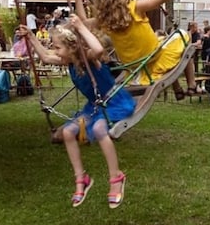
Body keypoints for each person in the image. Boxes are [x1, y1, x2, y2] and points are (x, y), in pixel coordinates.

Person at [27, 17, 132, 209]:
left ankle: (116, 177)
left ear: (71, 47)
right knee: (67, 132)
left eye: (57, 47)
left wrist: (81, 27)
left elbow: (99, 50)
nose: (55, 50)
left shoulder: (87, 59)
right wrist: (31, 37)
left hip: (113, 101)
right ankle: (81, 179)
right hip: (95, 105)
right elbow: (44, 57)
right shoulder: (67, 61)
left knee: (101, 129)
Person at [74, 0, 189, 101]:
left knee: (161, 39)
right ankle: (191, 85)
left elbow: (83, 22)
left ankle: (178, 87)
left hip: (131, 63)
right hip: (150, 56)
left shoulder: (104, 18)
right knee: (182, 34)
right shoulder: (135, 7)